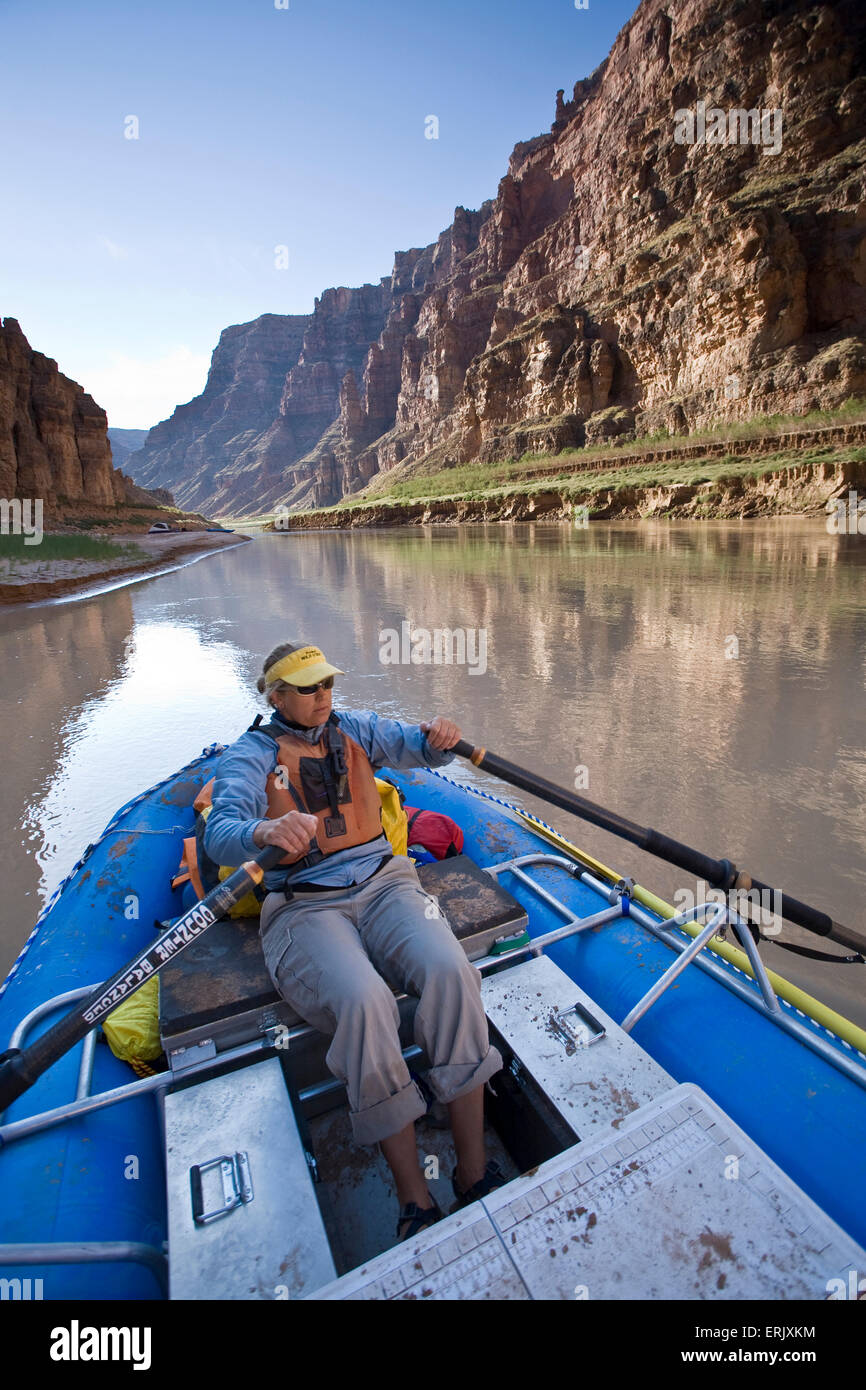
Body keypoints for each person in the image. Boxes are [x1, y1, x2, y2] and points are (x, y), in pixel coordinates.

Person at [204, 641, 505, 1242]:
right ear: (275, 696)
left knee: (450, 971)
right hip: (305, 905)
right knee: (365, 1002)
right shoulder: (251, 755)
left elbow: (417, 746)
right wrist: (264, 827)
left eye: (327, 684)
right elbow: (221, 832)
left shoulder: (357, 729)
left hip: (387, 883)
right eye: (308, 687)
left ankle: (473, 1172)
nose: (323, 696)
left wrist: (439, 738)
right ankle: (415, 1199)